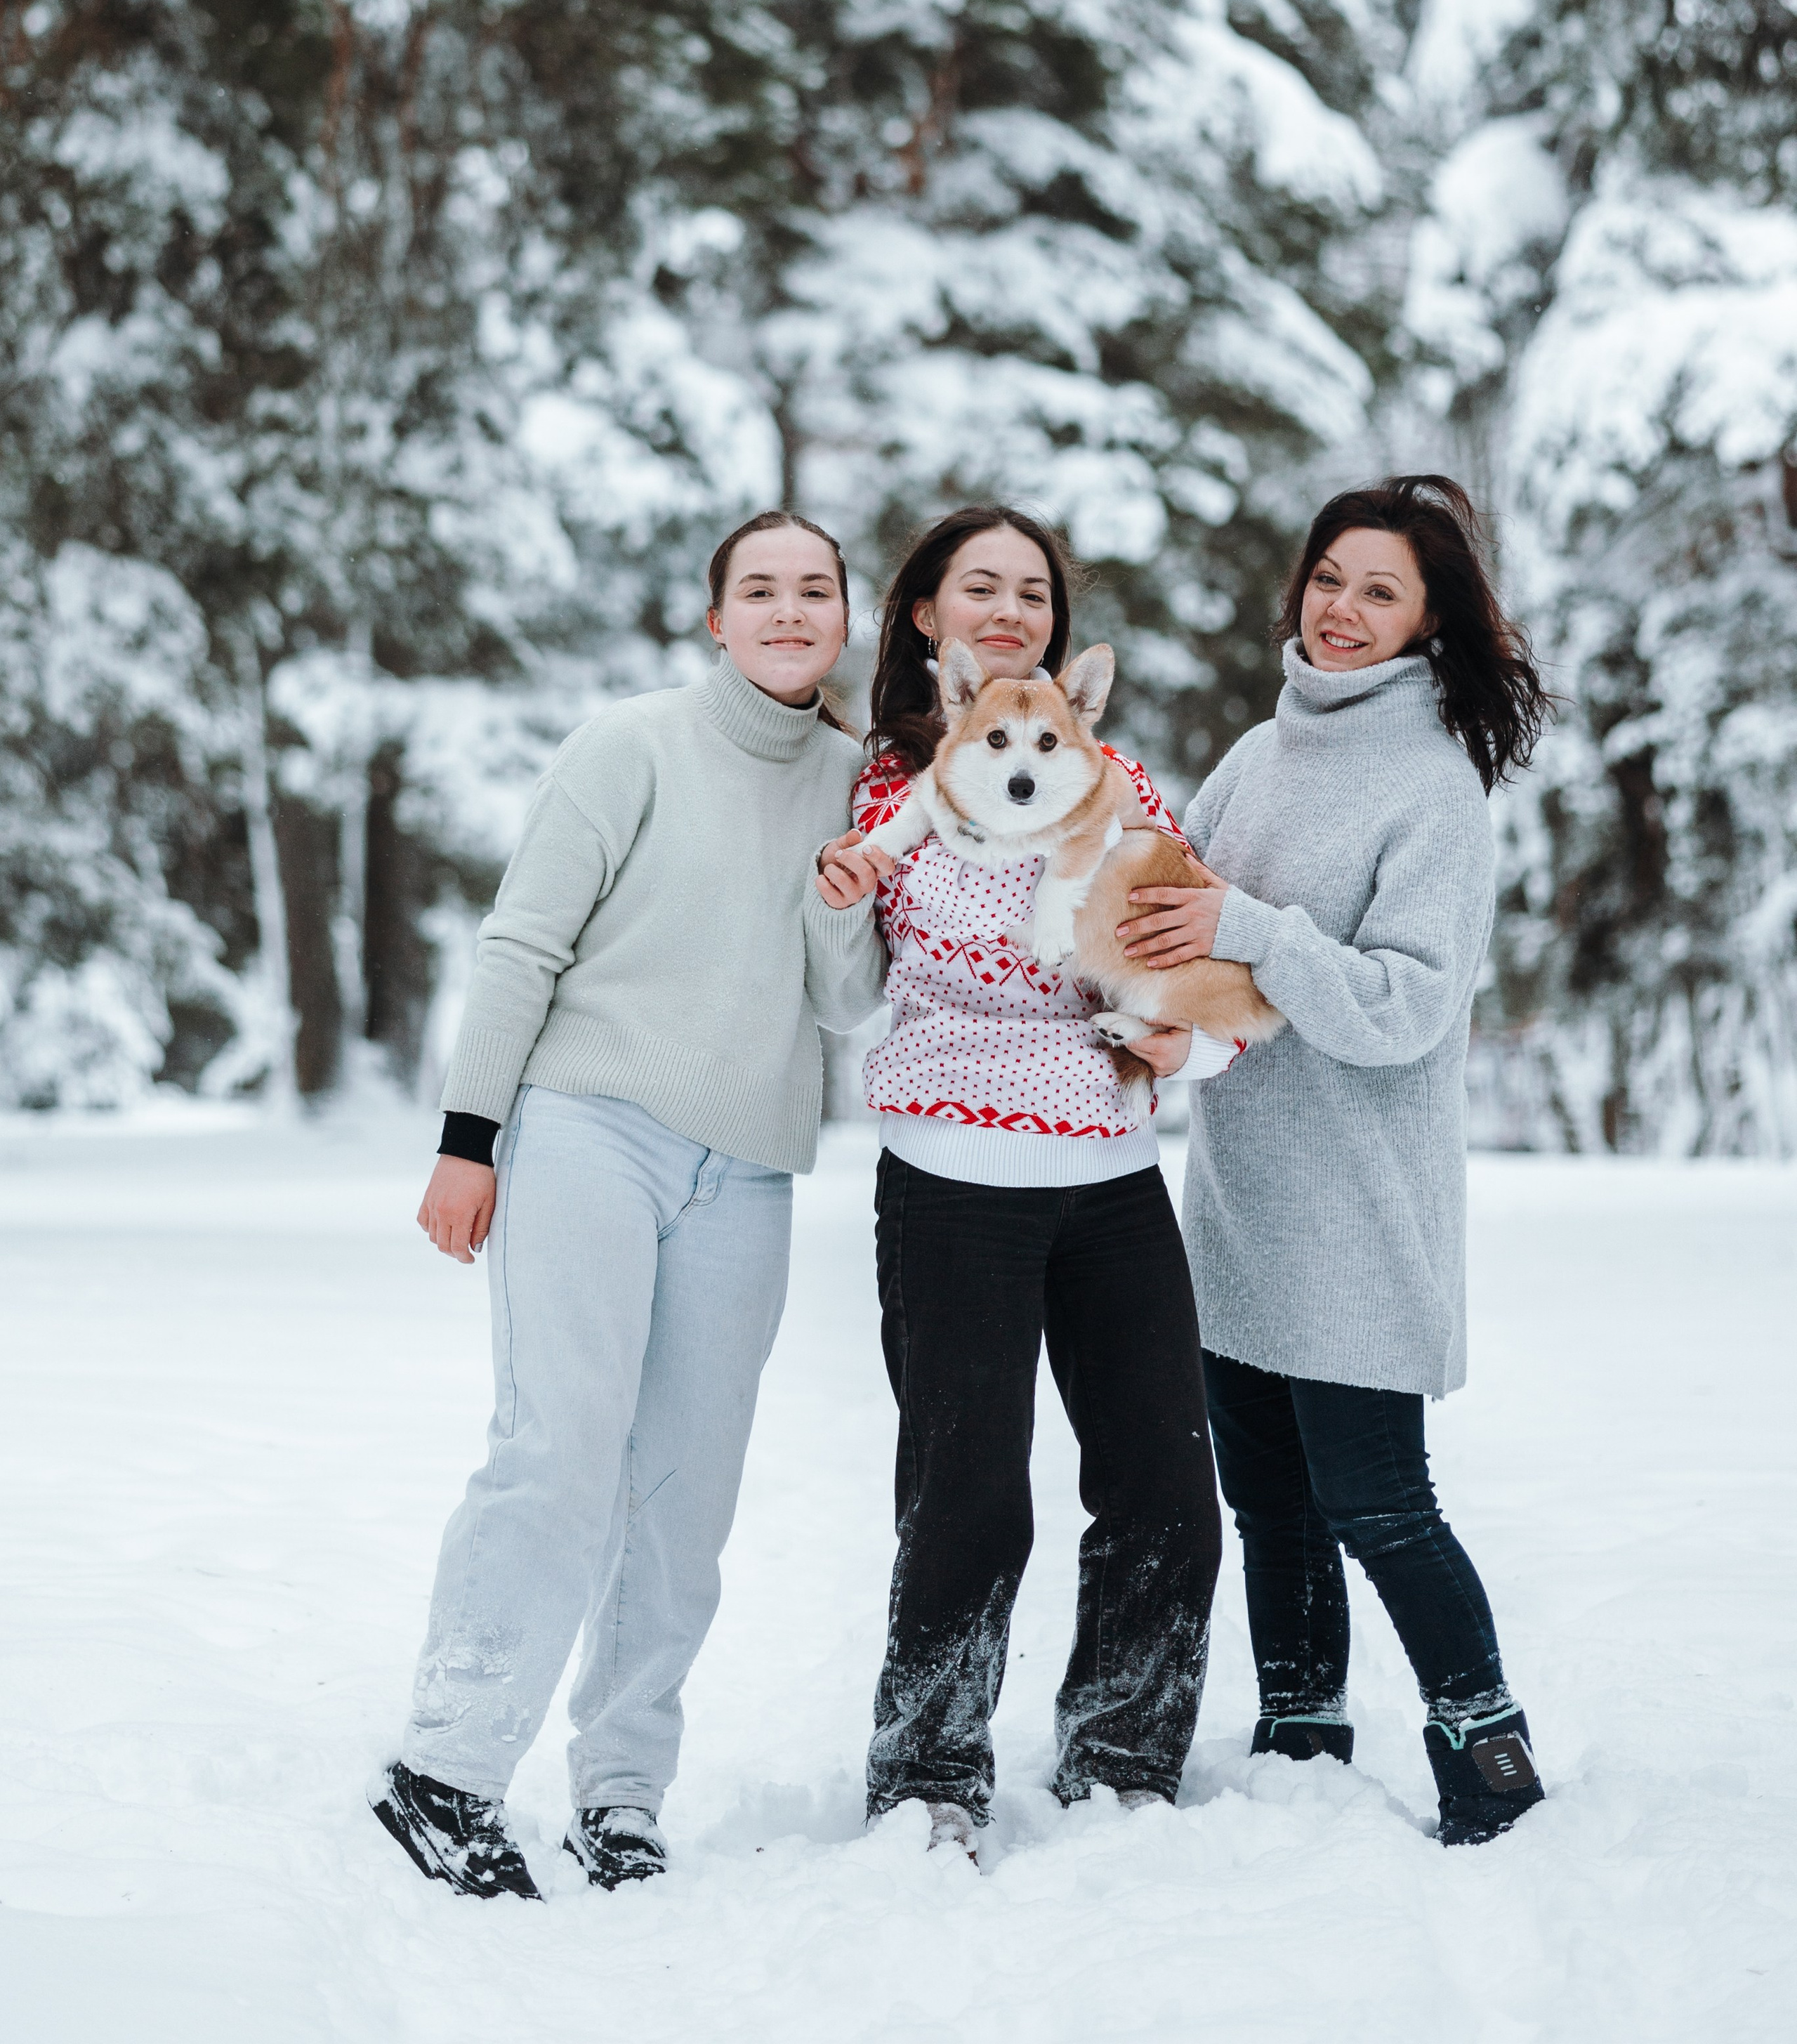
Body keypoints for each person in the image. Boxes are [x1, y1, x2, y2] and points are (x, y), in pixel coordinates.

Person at [372, 512, 888, 1899]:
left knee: (683, 1500)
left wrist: (848, 899)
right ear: (714, 617)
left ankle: (619, 1796)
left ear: (844, 619)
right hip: (586, 1129)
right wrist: (468, 1140)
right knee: (558, 1446)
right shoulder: (630, 742)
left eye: (815, 591)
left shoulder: (856, 780)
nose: (789, 611)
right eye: (760, 589)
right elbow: (522, 938)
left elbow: (845, 1004)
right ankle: (446, 1769)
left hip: (751, 1169)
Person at [1119, 474, 1550, 1847]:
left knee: (1378, 1501)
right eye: (1330, 577)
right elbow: (1166, 919)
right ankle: (1299, 1735)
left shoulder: (1432, 784)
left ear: (1429, 622)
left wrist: (1253, 927)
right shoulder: (1256, 753)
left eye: (1381, 589)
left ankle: (1486, 1752)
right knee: (1267, 1501)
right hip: (1238, 1199)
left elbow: (1401, 1008)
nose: (1343, 609)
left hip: (1358, 1216)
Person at [817, 505, 1237, 1860]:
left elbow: (1195, 945)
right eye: (977, 587)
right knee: (970, 1492)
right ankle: (927, 1776)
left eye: (1033, 591)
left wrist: (1193, 1030)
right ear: (929, 617)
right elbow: (918, 942)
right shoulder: (899, 788)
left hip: (1114, 1179)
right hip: (953, 1183)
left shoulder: (1122, 783)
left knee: (1166, 1483)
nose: (1009, 608)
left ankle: (1125, 1758)